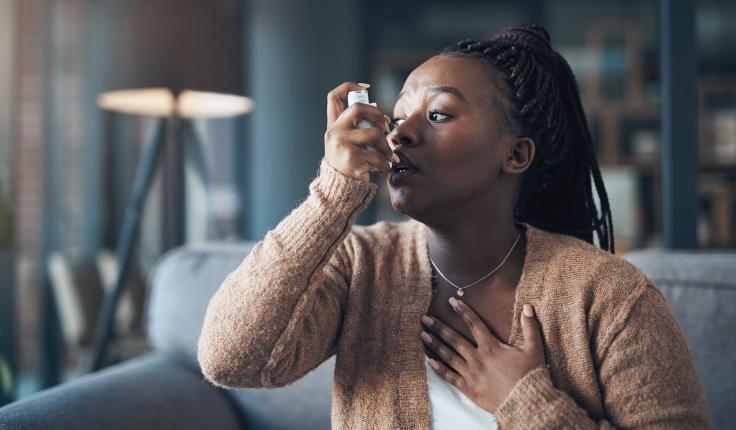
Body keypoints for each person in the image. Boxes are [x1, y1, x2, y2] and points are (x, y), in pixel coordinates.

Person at [197, 24, 711, 429]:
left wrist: (526, 402)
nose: (401, 135)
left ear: (515, 155)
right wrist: (332, 193)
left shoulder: (609, 296)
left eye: (439, 115)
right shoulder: (362, 266)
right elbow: (230, 359)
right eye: (397, 118)